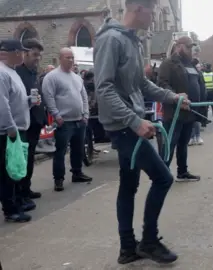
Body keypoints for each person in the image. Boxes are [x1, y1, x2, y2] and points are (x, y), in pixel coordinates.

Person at [94, 0, 191, 265]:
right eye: (152, 10)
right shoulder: (111, 40)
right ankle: (148, 241)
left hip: (130, 124)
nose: (154, 16)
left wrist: (173, 98)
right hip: (124, 128)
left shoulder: (132, 41)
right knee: (163, 178)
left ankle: (127, 248)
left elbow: (141, 84)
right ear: (138, 8)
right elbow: (103, 88)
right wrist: (135, 122)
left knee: (129, 185)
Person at [0, 39, 40, 222]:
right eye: (21, 52)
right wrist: (10, 127)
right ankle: (10, 209)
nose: (23, 55)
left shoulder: (12, 72)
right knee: (8, 171)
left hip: (19, 128)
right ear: (12, 53)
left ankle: (17, 201)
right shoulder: (2, 73)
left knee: (16, 168)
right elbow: (2, 105)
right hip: (9, 131)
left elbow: (16, 99)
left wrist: (30, 101)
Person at [42, 48, 92, 191]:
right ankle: (59, 178)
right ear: (60, 58)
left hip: (79, 120)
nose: (71, 60)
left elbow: (83, 96)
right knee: (60, 151)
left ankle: (77, 173)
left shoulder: (76, 77)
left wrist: (86, 114)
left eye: (72, 57)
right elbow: (48, 97)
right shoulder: (52, 77)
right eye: (67, 57)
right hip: (64, 121)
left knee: (78, 149)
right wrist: (57, 115)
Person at [157, 35, 202, 182]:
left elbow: (198, 84)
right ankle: (162, 174)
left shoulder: (191, 64)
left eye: (192, 47)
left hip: (190, 112)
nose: (191, 50)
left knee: (183, 144)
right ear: (179, 47)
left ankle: (182, 172)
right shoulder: (168, 63)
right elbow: (163, 85)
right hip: (174, 112)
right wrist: (176, 97)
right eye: (188, 47)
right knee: (170, 143)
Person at [15, 39, 46, 208]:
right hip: (23, 124)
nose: (37, 58)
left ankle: (26, 189)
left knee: (30, 158)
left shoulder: (34, 73)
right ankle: (20, 193)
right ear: (25, 53)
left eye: (39, 55)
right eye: (35, 55)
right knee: (22, 160)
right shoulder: (18, 73)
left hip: (35, 123)